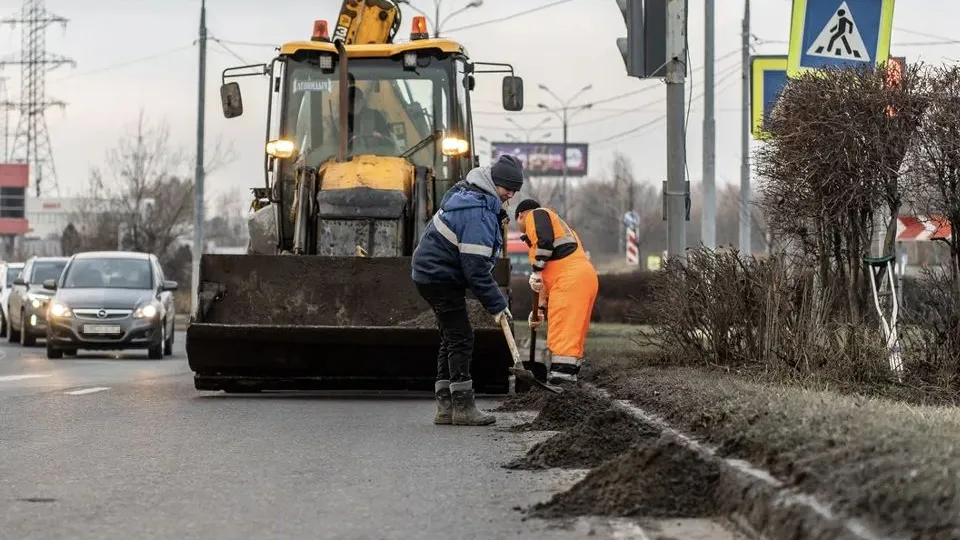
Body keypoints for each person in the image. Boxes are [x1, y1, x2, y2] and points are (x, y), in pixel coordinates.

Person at [411, 154, 524, 426]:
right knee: (462, 337)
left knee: (451, 335)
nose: (510, 194)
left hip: (430, 274)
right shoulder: (478, 211)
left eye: (514, 190)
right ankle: (463, 407)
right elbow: (475, 269)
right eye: (507, 188)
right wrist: (497, 305)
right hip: (439, 276)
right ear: (493, 181)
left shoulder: (474, 197)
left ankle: (446, 407)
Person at [514, 199, 598, 385]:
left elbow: (544, 245)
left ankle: (561, 384)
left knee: (563, 334)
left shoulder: (536, 215)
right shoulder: (558, 230)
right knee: (573, 335)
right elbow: (546, 276)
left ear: (520, 215)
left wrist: (536, 271)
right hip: (582, 278)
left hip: (570, 280)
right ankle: (569, 381)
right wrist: (540, 310)